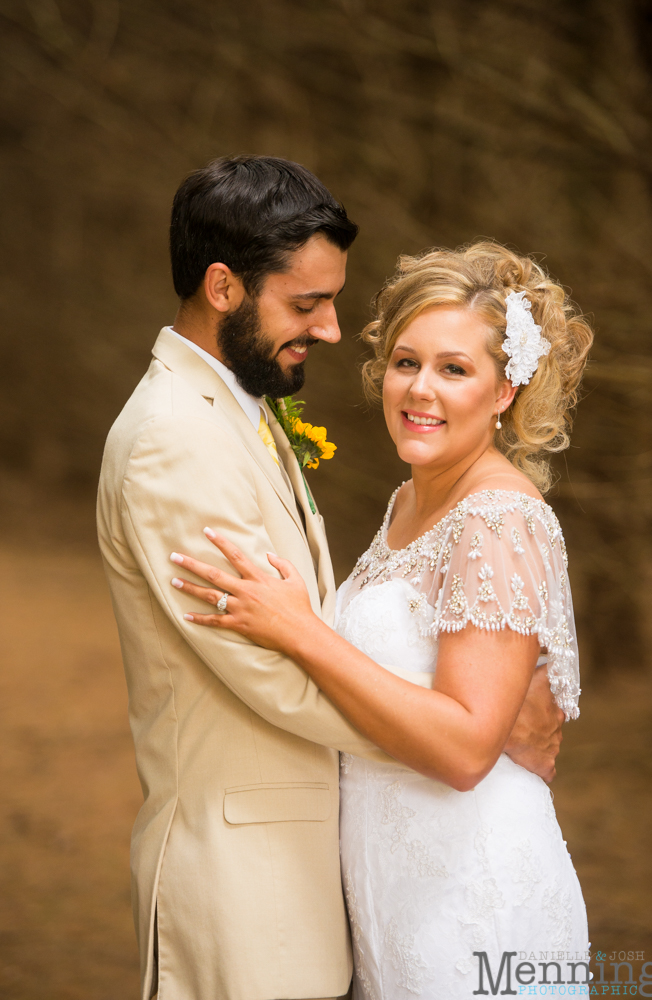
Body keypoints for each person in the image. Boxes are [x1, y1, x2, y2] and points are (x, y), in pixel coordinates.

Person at [98, 154, 563, 1000]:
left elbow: (315, 640)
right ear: (223, 287)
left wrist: (471, 739)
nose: (332, 331)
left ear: (507, 390)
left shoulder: (244, 412)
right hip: (253, 873)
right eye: (306, 304)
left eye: (454, 368)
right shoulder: (175, 437)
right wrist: (473, 740)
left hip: (437, 882)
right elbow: (270, 672)